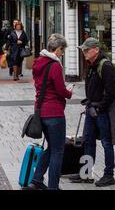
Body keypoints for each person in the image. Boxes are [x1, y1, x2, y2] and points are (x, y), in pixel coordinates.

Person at [69, 38, 115, 187]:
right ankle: (86, 173)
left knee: (106, 142)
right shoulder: (91, 65)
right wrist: (89, 102)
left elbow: (111, 93)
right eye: (83, 49)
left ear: (96, 49)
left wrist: (99, 108)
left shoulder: (106, 66)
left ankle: (109, 175)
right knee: (88, 141)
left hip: (101, 111)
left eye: (87, 49)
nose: (84, 52)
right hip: (91, 109)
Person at [27, 34, 72, 190]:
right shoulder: (54, 65)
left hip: (41, 112)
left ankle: (36, 180)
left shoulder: (38, 62)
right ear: (57, 48)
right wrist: (69, 93)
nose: (62, 53)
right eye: (62, 50)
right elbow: (60, 89)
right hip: (54, 113)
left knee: (51, 148)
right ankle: (54, 186)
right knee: (58, 151)